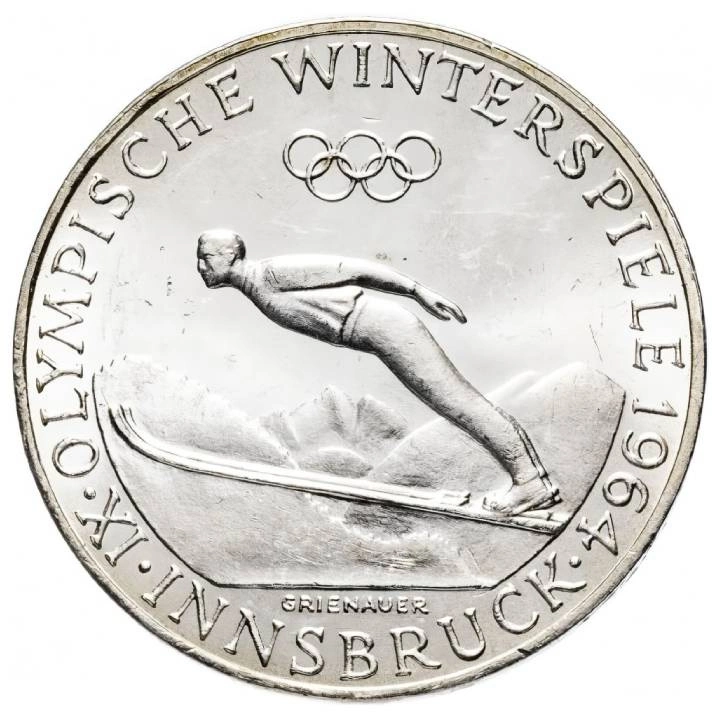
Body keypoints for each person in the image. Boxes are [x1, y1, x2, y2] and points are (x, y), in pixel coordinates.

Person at [196, 228, 558, 515]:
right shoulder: (257, 287)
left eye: (206, 257)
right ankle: (533, 480)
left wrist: (417, 291)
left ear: (230, 255)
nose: (200, 266)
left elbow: (355, 269)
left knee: (459, 403)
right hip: (376, 334)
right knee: (457, 405)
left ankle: (530, 482)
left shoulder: (273, 273)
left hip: (388, 328)